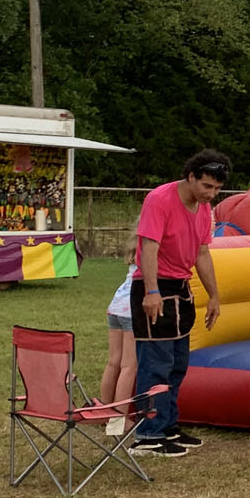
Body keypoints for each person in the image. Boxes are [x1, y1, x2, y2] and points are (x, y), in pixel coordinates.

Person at [128, 150, 229, 457]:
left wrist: (214, 295)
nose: (210, 194)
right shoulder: (160, 199)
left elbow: (202, 253)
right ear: (191, 176)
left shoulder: (204, 209)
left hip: (181, 288)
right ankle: (147, 434)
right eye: (206, 186)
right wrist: (151, 291)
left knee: (177, 364)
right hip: (155, 286)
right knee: (155, 364)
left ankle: (168, 425)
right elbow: (148, 246)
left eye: (216, 189)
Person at [99, 250, 138, 404]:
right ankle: (119, 417)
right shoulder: (151, 252)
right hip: (131, 310)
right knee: (129, 366)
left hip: (116, 306)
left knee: (113, 362)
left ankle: (105, 408)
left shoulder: (135, 251)